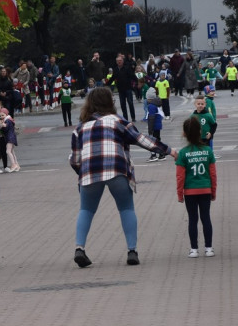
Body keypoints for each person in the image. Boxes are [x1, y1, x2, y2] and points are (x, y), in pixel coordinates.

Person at [68, 87, 176, 268]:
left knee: (86, 210)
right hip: (116, 168)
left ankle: (80, 248)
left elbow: (75, 159)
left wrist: (82, 173)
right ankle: (131, 251)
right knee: (126, 208)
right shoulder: (118, 122)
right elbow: (142, 139)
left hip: (90, 171)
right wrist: (169, 150)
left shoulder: (80, 128)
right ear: (110, 102)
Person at [175, 116, 217, 258]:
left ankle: (194, 249)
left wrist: (180, 194)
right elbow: (213, 174)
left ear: (184, 133)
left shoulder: (182, 153)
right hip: (205, 189)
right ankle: (209, 248)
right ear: (200, 131)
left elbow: (180, 177)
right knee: (206, 218)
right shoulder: (208, 151)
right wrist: (213, 191)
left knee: (193, 219)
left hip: (190, 191)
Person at [105, 54, 138, 122]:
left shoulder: (127, 68)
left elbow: (132, 75)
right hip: (120, 89)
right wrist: (107, 84)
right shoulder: (115, 69)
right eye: (118, 61)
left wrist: (137, 82)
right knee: (123, 104)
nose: (119, 62)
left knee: (130, 102)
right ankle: (125, 118)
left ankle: (133, 117)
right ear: (116, 62)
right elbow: (113, 78)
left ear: (122, 61)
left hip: (128, 88)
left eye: (120, 60)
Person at [0, 106, 20, 172]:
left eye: (3, 115)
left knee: (8, 151)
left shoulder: (7, 121)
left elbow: (6, 128)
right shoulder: (10, 120)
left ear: (6, 114)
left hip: (9, 137)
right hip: (12, 137)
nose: (1, 117)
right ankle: (17, 165)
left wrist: (2, 125)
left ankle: (13, 165)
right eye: (0, 115)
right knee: (12, 151)